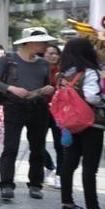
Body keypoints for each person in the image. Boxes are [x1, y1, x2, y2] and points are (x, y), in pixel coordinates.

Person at [55, 38, 105, 209]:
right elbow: (92, 97)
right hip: (90, 123)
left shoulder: (63, 74)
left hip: (69, 122)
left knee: (69, 162)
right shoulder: (90, 72)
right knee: (90, 167)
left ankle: (67, 203)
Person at [0, 27, 56, 201]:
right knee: (11, 147)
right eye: (43, 41)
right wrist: (12, 88)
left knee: (38, 148)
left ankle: (35, 184)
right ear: (31, 42)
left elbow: (45, 84)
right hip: (14, 106)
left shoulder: (43, 63)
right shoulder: (8, 59)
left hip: (39, 108)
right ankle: (6, 185)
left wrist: (47, 89)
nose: (46, 45)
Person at [43, 44, 65, 176]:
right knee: (38, 143)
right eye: (50, 53)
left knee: (60, 145)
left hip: (59, 112)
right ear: (43, 54)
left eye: (56, 53)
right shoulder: (39, 69)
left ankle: (60, 175)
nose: (53, 56)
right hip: (41, 110)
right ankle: (49, 165)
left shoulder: (63, 71)